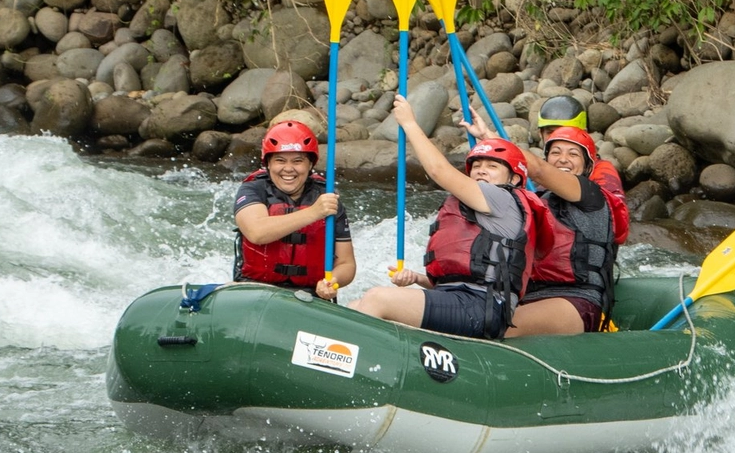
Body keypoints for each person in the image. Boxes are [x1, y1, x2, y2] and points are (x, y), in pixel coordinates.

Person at [350, 95, 548, 339]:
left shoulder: (503, 198)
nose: (481, 170)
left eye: (492, 166)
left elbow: (439, 171)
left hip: (482, 307)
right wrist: (418, 278)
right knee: (355, 306)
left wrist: (410, 123)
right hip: (459, 299)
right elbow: (464, 276)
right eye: (477, 166)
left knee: (377, 299)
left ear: (514, 179)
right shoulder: (479, 205)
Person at [508, 125, 619, 335]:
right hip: (530, 296)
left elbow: (539, 171)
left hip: (578, 300)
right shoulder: (535, 202)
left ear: (587, 166)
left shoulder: (591, 196)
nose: (563, 159)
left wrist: (488, 137)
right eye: (556, 153)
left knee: (499, 324)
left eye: (573, 154)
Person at [234, 120, 355, 301]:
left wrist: (332, 281)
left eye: (298, 161)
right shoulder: (253, 190)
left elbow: (347, 264)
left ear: (310, 164)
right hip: (255, 290)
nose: (289, 169)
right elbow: (256, 232)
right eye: (280, 160)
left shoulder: (326, 197)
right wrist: (314, 213)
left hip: (309, 295)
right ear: (268, 164)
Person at [535, 94, 630, 245]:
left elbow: (618, 226)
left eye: (566, 131)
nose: (559, 136)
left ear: (584, 133)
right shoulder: (541, 173)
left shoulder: (603, 171)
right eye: (550, 132)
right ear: (540, 134)